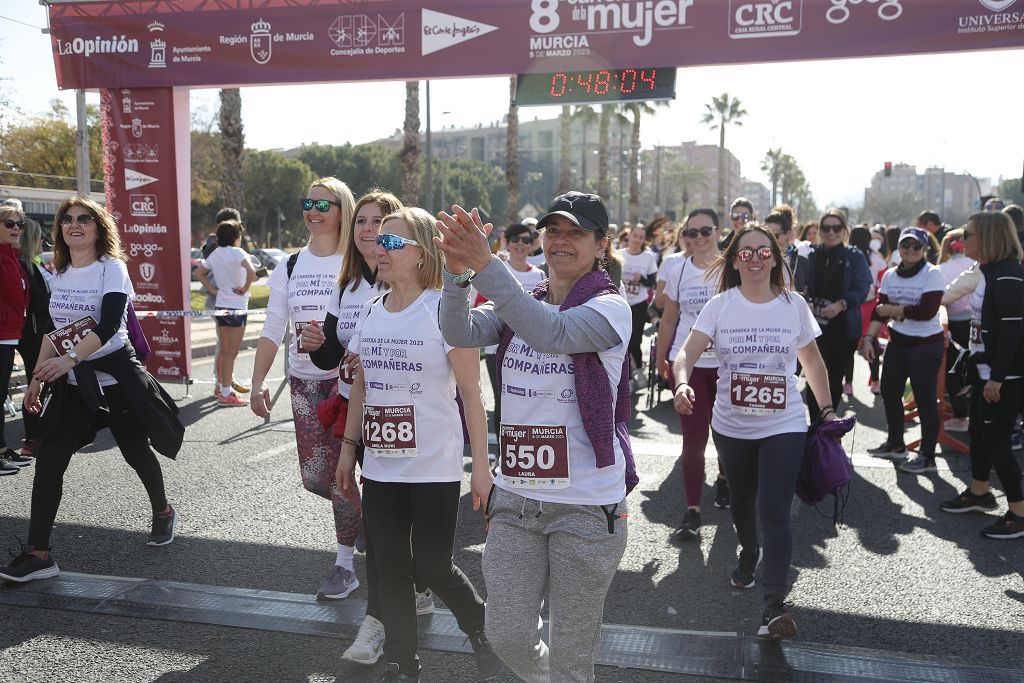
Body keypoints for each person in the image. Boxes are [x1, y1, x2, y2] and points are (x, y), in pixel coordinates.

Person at [437, 192, 635, 681]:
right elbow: (458, 330)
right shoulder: (523, 304)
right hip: (517, 501)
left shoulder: (611, 308)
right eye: (554, 231)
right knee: (506, 636)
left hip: (587, 509)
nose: (560, 241)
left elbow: (552, 333)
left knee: (573, 654)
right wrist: (457, 271)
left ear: (601, 245)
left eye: (576, 232)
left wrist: (488, 266)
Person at [333, 207, 497, 682]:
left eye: (391, 243)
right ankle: (405, 663)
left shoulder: (445, 309)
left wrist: (480, 470)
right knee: (391, 572)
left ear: (422, 253)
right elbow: (361, 385)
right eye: (377, 241)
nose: (378, 250)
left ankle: (481, 632)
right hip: (382, 467)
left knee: (432, 566)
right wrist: (348, 450)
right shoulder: (370, 308)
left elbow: (471, 394)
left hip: (434, 467)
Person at [0, 196, 182, 583]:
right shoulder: (58, 272)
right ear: (60, 229)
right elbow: (56, 331)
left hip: (116, 379)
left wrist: (68, 360)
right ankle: (39, 554)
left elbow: (110, 323)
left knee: (135, 452)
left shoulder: (111, 269)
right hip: (75, 384)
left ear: (99, 227)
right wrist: (36, 377)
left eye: (84, 219)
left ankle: (163, 510)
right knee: (49, 458)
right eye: (67, 219)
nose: (74, 224)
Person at [672, 223, 834, 640]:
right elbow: (685, 355)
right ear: (735, 260)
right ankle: (748, 551)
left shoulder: (793, 305)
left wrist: (828, 410)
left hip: (784, 424)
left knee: (775, 510)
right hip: (731, 424)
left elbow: (812, 362)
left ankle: (773, 608)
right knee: (742, 499)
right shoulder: (720, 305)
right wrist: (684, 382)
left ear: (777, 259)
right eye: (747, 252)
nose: (757, 258)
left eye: (766, 251)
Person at [302, 190, 434, 665]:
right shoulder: (349, 285)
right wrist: (319, 346)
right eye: (361, 221)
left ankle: (402, 603)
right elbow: (337, 358)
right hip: (358, 416)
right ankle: (382, 620)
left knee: (398, 532)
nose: (369, 231)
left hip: (412, 423)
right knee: (381, 533)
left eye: (379, 222)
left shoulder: (409, 285)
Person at [247, 177, 364, 600]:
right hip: (303, 383)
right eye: (308, 202)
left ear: (341, 210)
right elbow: (273, 325)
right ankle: (360, 521)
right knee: (315, 478)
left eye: (323, 204)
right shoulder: (291, 265)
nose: (313, 211)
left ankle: (344, 564)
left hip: (346, 383)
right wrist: (258, 382)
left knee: (340, 475)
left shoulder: (357, 260)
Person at [937, 212, 1024, 538]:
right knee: (979, 433)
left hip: (1004, 377)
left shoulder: (1007, 276)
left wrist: (997, 378)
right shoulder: (986, 271)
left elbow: (1014, 333)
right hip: (985, 370)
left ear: (988, 238)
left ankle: (1018, 512)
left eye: (969, 235)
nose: (962, 241)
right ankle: (978, 492)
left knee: (999, 444)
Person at [656, 208, 729, 539]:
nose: (699, 238)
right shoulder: (678, 269)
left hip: (728, 365)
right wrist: (661, 357)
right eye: (692, 233)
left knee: (728, 434)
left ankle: (726, 480)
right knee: (695, 437)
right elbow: (669, 319)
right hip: (687, 364)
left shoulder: (733, 268)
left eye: (706, 231)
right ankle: (693, 511)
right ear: (685, 237)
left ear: (718, 231)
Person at [861, 228, 946, 471]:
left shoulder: (932, 274)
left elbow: (927, 311)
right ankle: (896, 444)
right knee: (889, 392)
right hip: (898, 343)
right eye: (904, 245)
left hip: (926, 344)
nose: (909, 250)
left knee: (925, 400)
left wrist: (894, 310)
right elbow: (880, 308)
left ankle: (927, 456)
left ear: (924, 249)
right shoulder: (889, 275)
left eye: (915, 246)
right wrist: (869, 338)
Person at [474, 222, 545, 433]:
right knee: (502, 400)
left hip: (530, 349)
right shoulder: (498, 269)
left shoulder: (540, 275)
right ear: (508, 243)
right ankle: (503, 454)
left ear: (532, 245)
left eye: (526, 240)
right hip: (497, 349)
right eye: (516, 240)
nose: (521, 244)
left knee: (529, 400)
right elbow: (479, 305)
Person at [803, 209, 872, 420]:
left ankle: (828, 427)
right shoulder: (813, 255)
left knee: (833, 379)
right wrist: (809, 302)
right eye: (826, 228)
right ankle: (816, 427)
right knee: (813, 377)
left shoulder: (854, 256)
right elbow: (804, 287)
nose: (831, 232)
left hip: (843, 328)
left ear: (844, 230)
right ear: (820, 230)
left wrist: (841, 304)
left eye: (836, 228)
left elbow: (863, 288)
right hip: (815, 327)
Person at [194, 219, 256, 406]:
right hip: (237, 307)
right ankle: (227, 393)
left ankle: (222, 388)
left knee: (223, 350)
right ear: (236, 237)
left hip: (221, 306)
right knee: (231, 352)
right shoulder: (238, 252)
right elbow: (252, 271)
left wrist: (213, 290)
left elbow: (199, 273)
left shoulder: (216, 254)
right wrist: (245, 288)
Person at [13, 218, 54, 465]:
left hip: (37, 333)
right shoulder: (24, 265)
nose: (44, 242)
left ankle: (37, 436)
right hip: (32, 335)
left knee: (40, 382)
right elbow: (39, 302)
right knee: (36, 383)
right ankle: (32, 439)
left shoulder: (33, 264)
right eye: (40, 238)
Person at [0, 204, 29, 476]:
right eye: (9, 224)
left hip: (10, 336)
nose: (16, 228)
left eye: (19, 223)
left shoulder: (11, 256)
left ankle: (1, 449)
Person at [937, 229, 975, 432]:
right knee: (974, 365)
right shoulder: (976, 265)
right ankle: (968, 413)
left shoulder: (941, 268)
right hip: (976, 322)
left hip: (951, 323)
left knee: (955, 369)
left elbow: (940, 297)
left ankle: (960, 415)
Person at [618, 224, 659, 384]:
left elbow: (652, 282)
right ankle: (626, 376)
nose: (637, 239)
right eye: (635, 235)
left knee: (635, 340)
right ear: (629, 235)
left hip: (639, 305)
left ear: (644, 240)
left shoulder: (648, 257)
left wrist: (641, 279)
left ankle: (638, 370)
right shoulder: (619, 254)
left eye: (641, 237)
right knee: (621, 340)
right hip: (621, 303)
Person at [765, 206, 808, 296]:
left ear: (788, 233)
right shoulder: (758, 258)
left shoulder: (802, 259)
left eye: (774, 235)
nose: (768, 239)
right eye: (765, 234)